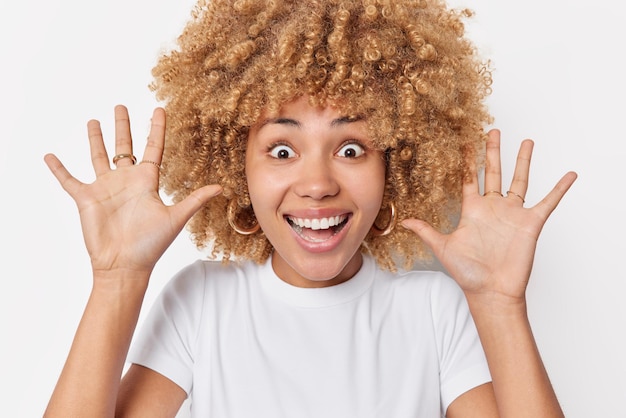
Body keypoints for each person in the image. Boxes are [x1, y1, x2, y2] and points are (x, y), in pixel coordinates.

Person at [42, 0, 577, 416]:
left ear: (395, 165)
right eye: (281, 150)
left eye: (350, 149)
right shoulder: (203, 301)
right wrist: (117, 279)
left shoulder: (434, 311)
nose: (317, 184)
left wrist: (500, 305)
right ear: (235, 166)